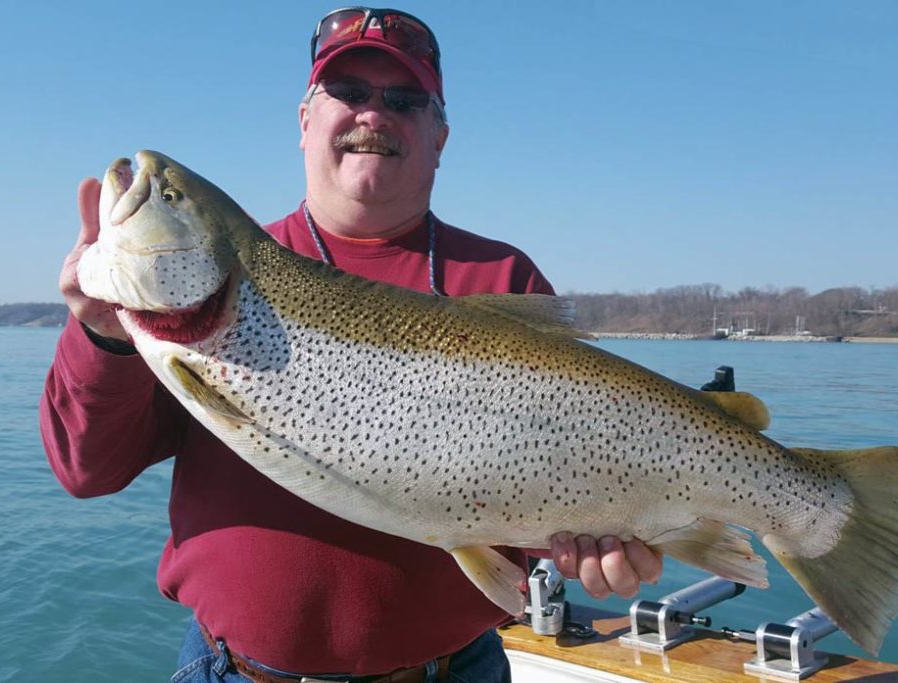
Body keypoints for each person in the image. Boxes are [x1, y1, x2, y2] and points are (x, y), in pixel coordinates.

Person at [41, 7, 662, 682]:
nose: (374, 113)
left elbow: (545, 499)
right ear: (305, 122)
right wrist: (104, 332)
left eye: (404, 99)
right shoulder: (208, 302)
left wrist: (596, 541)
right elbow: (87, 469)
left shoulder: (502, 280)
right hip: (234, 670)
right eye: (349, 93)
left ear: (440, 136)